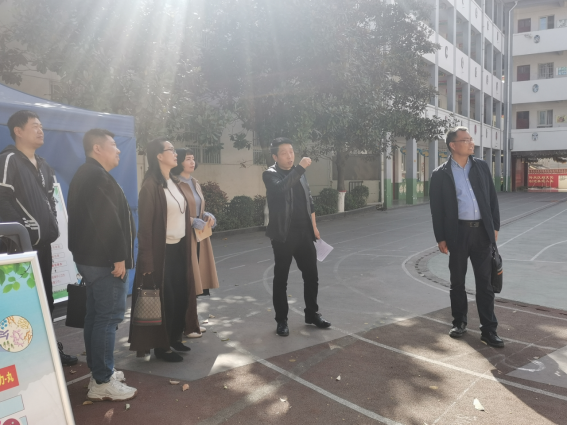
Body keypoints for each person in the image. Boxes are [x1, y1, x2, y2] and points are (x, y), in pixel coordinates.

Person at [0, 110, 78, 367]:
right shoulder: (8, 160)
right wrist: (25, 231)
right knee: (21, 301)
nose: (40, 130)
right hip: (17, 249)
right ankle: (23, 359)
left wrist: (51, 224)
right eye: (34, 126)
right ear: (18, 131)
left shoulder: (44, 164)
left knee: (46, 299)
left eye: (41, 126)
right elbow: (2, 200)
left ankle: (50, 350)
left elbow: (50, 200)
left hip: (44, 247)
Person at [67, 128, 137, 401]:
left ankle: (100, 372)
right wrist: (118, 256)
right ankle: (102, 381)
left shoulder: (88, 173)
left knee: (96, 317)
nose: (118, 150)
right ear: (97, 148)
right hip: (104, 261)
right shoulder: (96, 175)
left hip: (93, 259)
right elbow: (106, 219)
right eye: (113, 145)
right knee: (108, 319)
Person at [129, 139, 203, 362]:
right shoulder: (151, 186)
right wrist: (147, 259)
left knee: (180, 295)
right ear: (159, 156)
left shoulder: (173, 182)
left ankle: (174, 338)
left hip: (180, 248)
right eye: (170, 150)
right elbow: (145, 227)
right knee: (166, 299)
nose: (175, 153)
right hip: (162, 253)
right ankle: (162, 347)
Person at [429, 126, 503, 348]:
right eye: (466, 140)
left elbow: (492, 198)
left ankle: (489, 330)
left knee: (485, 283)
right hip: (457, 233)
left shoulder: (481, 166)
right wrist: (441, 237)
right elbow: (437, 209)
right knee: (457, 282)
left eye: (471, 139)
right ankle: (459, 322)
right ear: (453, 145)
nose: (472, 143)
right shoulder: (440, 174)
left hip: (482, 233)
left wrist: (494, 226)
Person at [263, 138, 331, 337]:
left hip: (304, 233)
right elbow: (281, 188)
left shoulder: (300, 174)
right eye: (284, 153)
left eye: (291, 151)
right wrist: (300, 169)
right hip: (283, 235)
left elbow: (309, 200)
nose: (290, 156)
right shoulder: (270, 174)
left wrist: (314, 227)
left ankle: (312, 314)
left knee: (311, 276)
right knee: (281, 279)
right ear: (275, 157)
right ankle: (281, 320)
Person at [172, 149, 220, 302]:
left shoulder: (195, 182)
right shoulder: (174, 184)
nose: (192, 162)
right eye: (188, 159)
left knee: (198, 275)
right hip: (184, 235)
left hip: (200, 234)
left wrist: (207, 215)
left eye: (193, 158)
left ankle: (191, 315)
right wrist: (192, 221)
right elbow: (172, 212)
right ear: (179, 162)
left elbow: (198, 207)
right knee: (187, 278)